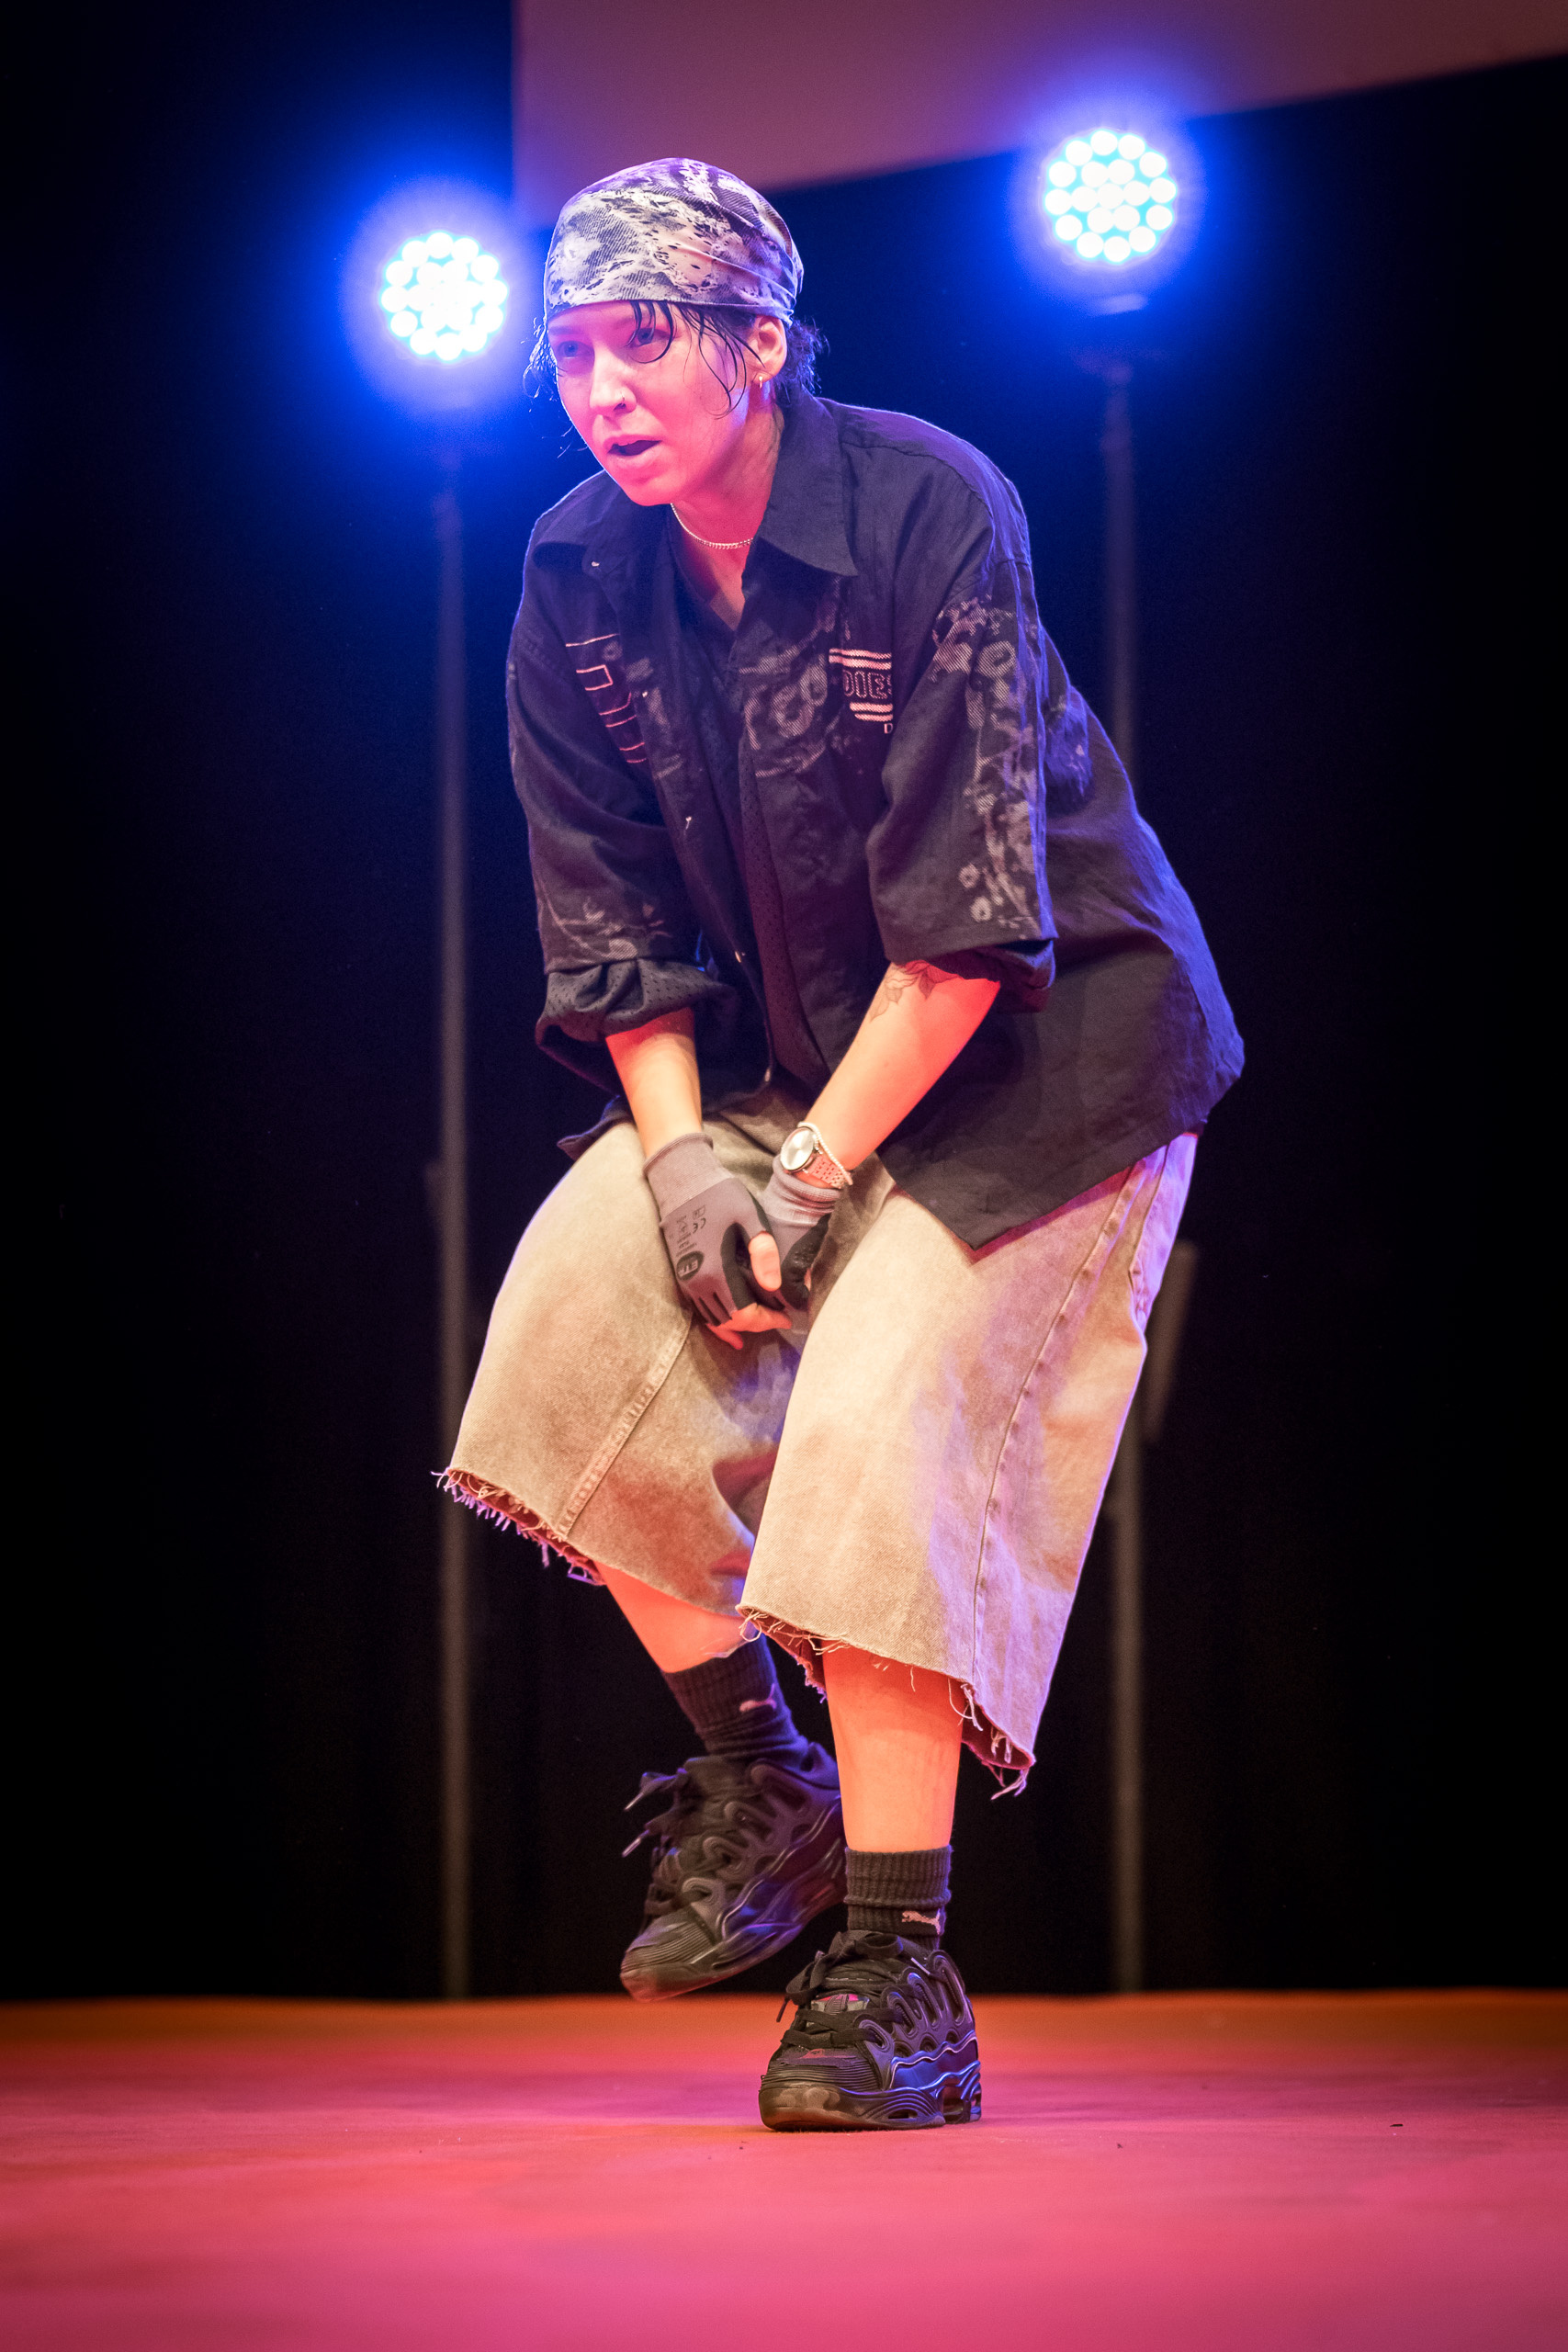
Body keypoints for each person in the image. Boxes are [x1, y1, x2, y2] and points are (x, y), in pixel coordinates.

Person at [445, 157, 1242, 2131]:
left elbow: (969, 922)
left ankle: (898, 1966)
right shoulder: (574, 571)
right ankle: (761, 1775)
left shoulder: (923, 506)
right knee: (564, 1331)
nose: (603, 389)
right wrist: (680, 1166)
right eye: (571, 351)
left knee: (876, 1413)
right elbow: (609, 921)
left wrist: (802, 1188)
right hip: (796, 1058)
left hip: (1049, 1055)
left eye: (644, 343)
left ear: (758, 345)